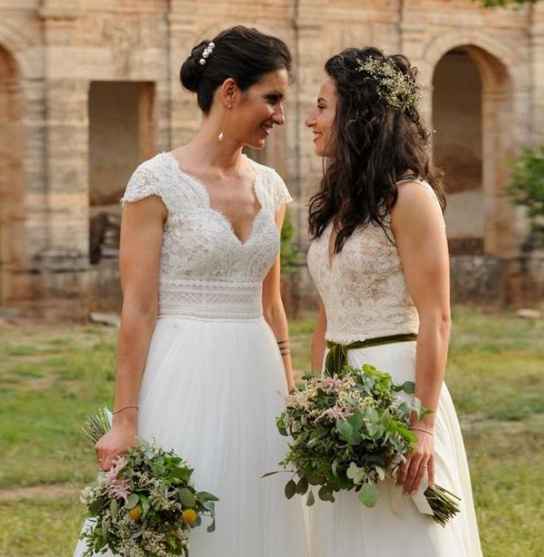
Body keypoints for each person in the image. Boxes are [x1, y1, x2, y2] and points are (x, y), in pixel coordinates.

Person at [74, 25, 308, 557]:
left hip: (259, 375)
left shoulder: (271, 187)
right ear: (229, 92)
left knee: (260, 509)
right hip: (184, 369)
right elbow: (137, 307)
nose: (281, 115)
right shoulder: (157, 181)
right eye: (271, 98)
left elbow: (272, 303)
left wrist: (292, 393)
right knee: (182, 515)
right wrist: (125, 417)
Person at [305, 47, 483, 556]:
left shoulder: (411, 198)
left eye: (322, 106)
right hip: (339, 391)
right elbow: (325, 313)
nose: (310, 119)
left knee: (409, 529)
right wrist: (316, 403)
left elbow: (437, 317)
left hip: (397, 384)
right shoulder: (337, 202)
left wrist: (421, 425)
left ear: (358, 115)